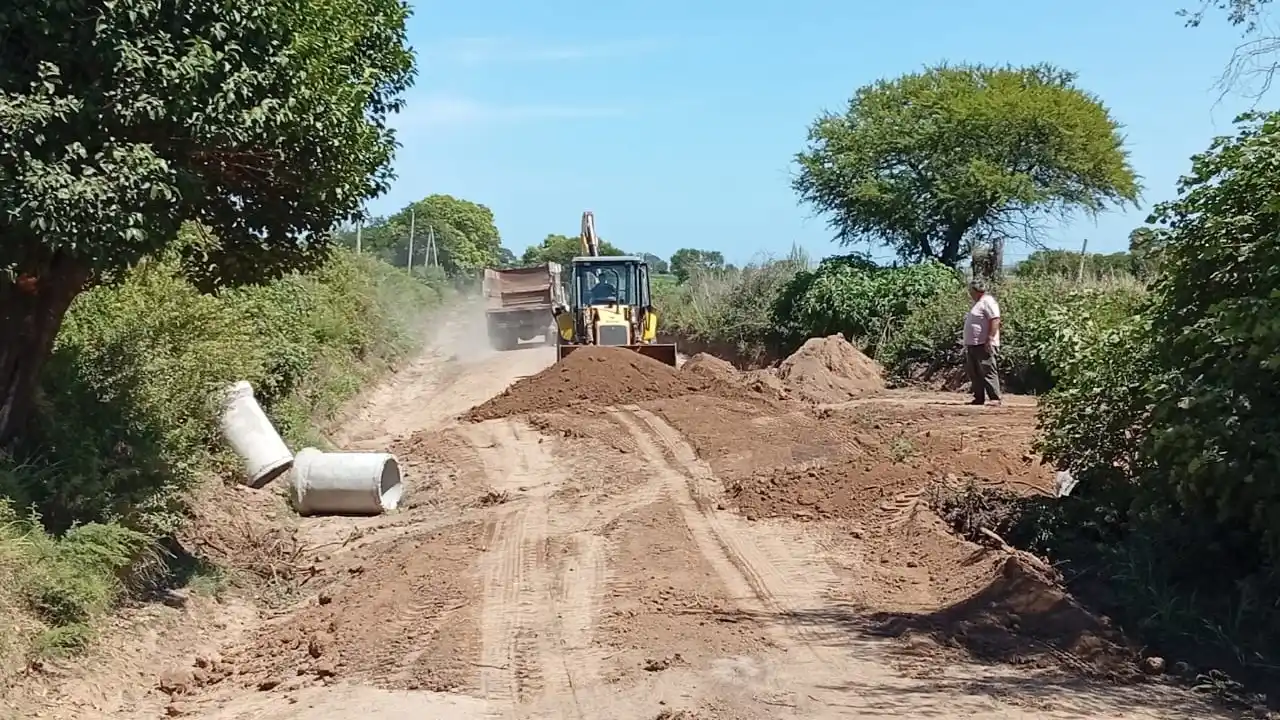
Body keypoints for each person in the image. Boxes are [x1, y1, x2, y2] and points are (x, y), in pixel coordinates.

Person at [963, 279, 1002, 407]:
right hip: (973, 344)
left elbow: (995, 319)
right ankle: (978, 397)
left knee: (988, 369)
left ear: (975, 291)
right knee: (974, 372)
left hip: (983, 343)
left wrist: (990, 338)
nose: (970, 293)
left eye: (971, 290)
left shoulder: (987, 301)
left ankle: (995, 398)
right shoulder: (979, 303)